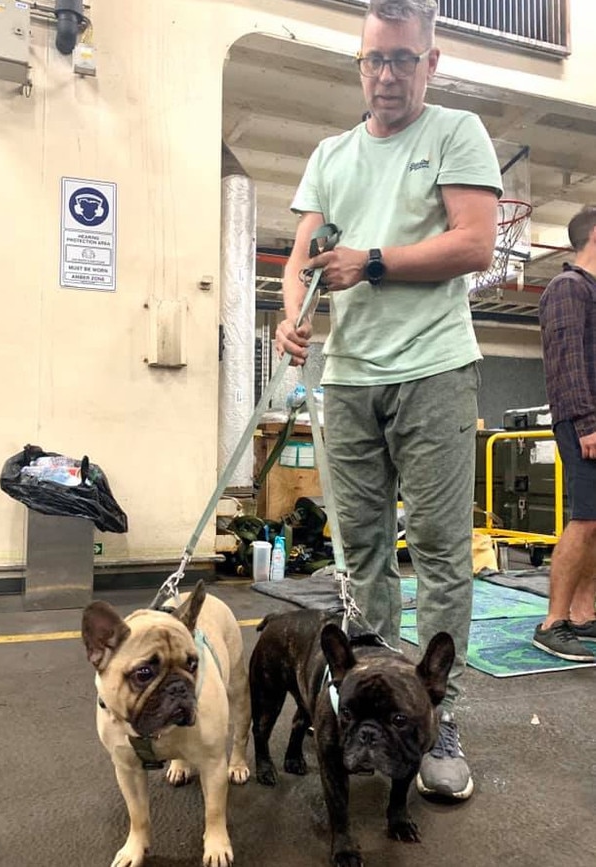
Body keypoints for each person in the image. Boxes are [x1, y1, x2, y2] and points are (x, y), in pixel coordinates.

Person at [275, 0, 501, 800]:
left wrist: (370, 261)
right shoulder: (331, 155)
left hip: (435, 368)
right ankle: (369, 705)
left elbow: (475, 243)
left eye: (404, 59)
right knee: (360, 555)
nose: (387, 75)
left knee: (440, 552)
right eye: (375, 59)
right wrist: (288, 310)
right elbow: (302, 254)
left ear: (430, 63)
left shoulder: (454, 132)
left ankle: (438, 717)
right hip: (350, 376)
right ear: (360, 63)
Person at [532, 206, 596, 663]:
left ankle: (583, 613)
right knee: (585, 519)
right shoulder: (568, 287)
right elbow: (566, 363)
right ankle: (553, 622)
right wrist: (587, 424)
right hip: (584, 422)